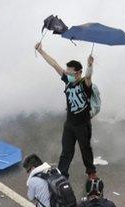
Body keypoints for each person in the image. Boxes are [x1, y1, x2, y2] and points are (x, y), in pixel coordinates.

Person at [34, 41, 97, 180]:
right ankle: (62, 174)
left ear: (78, 72)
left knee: (85, 149)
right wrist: (41, 51)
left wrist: (90, 65)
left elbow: (88, 77)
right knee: (66, 150)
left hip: (83, 124)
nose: (67, 73)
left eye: (70, 71)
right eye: (67, 70)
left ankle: (91, 173)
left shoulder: (84, 84)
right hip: (69, 123)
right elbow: (54, 64)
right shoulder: (68, 81)